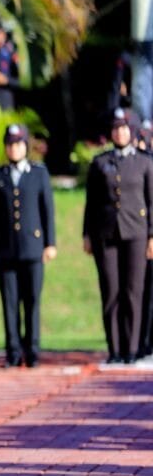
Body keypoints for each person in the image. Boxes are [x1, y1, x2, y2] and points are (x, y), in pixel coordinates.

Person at [0, 124, 57, 368]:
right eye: (10, 144)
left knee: (32, 300)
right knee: (9, 302)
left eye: (18, 144)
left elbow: (47, 210)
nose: (14, 149)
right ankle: (13, 351)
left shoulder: (38, 173)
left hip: (32, 247)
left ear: (26, 147)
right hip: (5, 249)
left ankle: (32, 350)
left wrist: (50, 243)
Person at [84, 109, 153, 364]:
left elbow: (152, 201)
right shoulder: (100, 162)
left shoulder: (145, 162)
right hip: (106, 234)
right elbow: (91, 203)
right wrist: (87, 234)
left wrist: (151, 236)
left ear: (132, 131)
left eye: (124, 128)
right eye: (115, 128)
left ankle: (132, 348)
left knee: (133, 291)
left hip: (136, 232)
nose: (119, 132)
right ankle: (115, 348)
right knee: (111, 291)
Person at [0, 26, 19, 110]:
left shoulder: (11, 54)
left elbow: (23, 82)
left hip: (7, 99)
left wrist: (6, 80)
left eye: (0, 33)